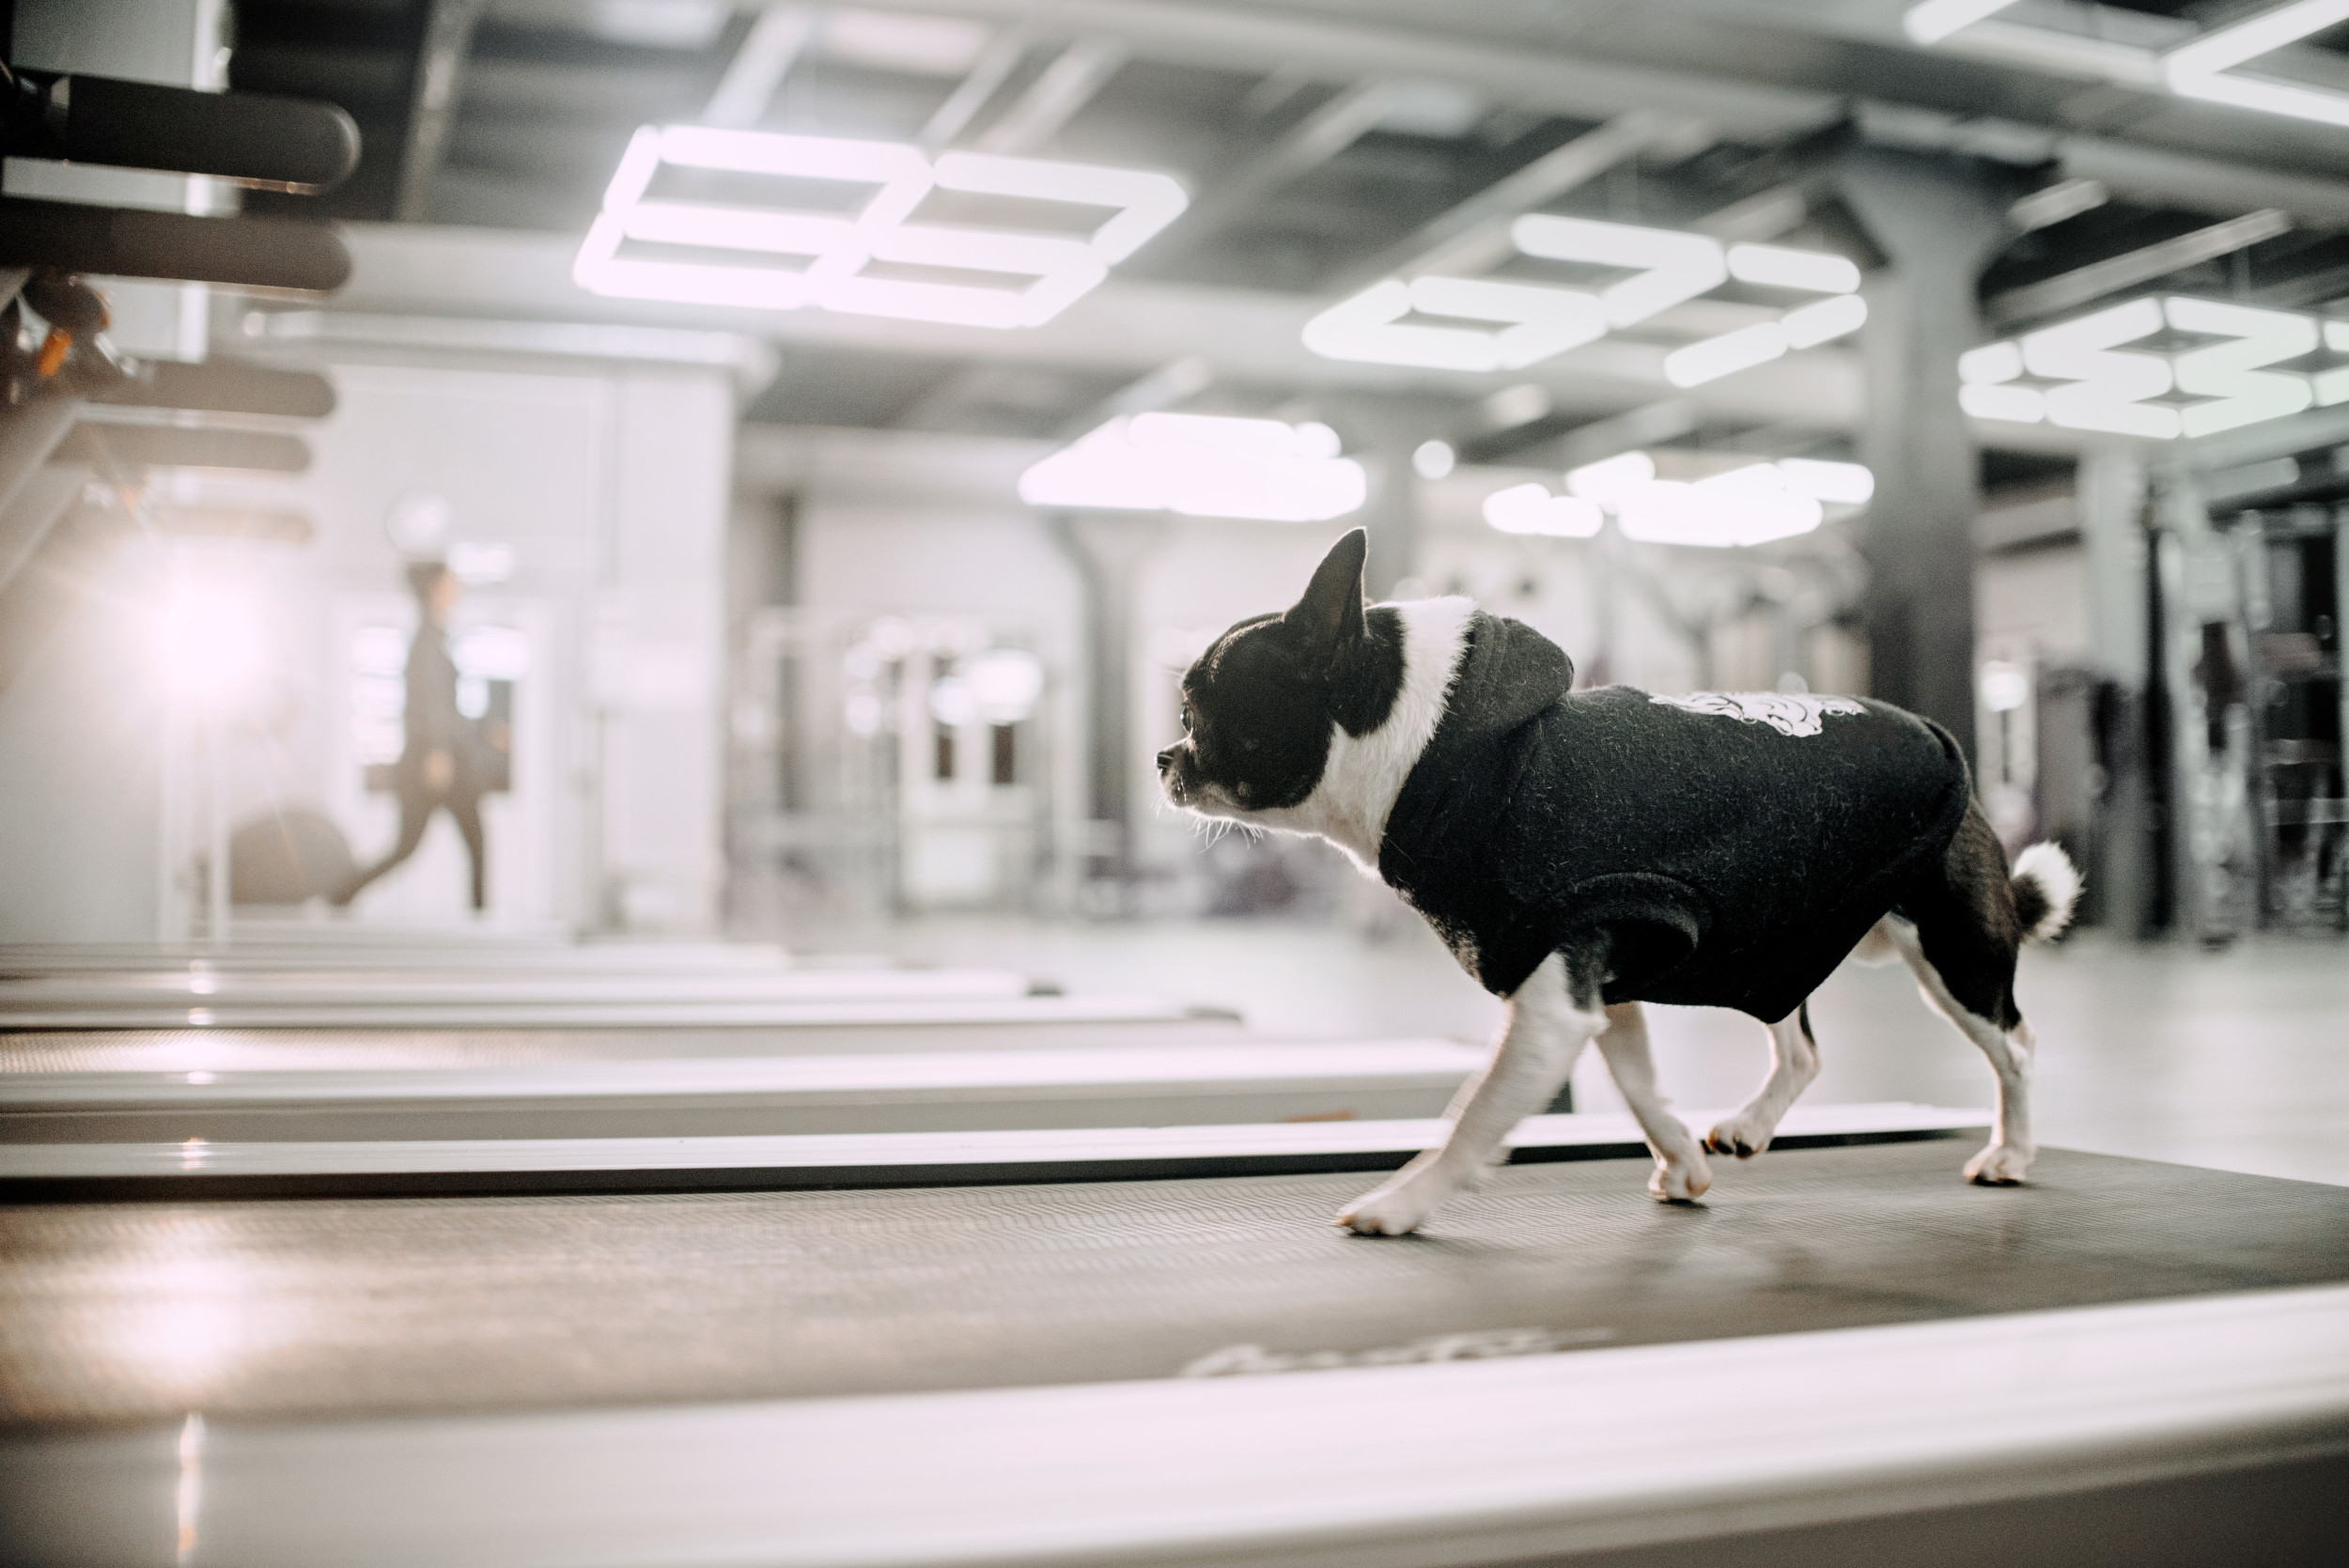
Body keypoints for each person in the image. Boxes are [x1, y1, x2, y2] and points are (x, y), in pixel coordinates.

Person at [335, 561, 488, 910]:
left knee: (455, 843)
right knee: (412, 846)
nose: (458, 588)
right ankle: (341, 894)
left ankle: (342, 894)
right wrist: (438, 753)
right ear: (435, 588)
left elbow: (445, 704)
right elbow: (430, 701)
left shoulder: (437, 636)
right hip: (434, 757)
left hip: (441, 753)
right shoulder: (425, 641)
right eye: (452, 582)